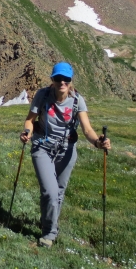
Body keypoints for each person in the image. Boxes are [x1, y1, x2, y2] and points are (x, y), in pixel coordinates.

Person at [19, 61, 111, 247]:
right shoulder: (43, 96)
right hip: (42, 147)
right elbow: (30, 120)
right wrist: (27, 132)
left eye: (66, 79)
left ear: (70, 81)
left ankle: (48, 223)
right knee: (50, 192)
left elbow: (87, 129)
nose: (62, 82)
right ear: (52, 80)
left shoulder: (77, 101)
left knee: (58, 193)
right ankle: (49, 234)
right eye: (58, 78)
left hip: (67, 150)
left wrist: (97, 143)